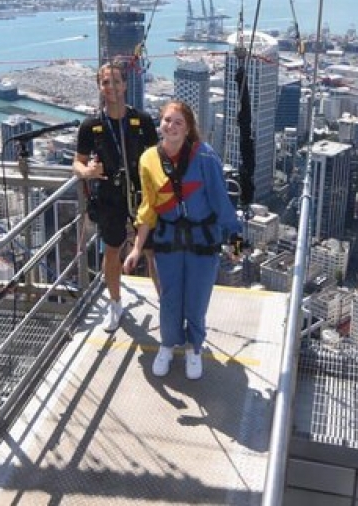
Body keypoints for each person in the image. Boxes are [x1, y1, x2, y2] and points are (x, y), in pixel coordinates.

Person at [123, 99, 241, 380]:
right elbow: (148, 207)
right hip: (169, 239)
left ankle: (194, 348)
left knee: (197, 300)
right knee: (169, 298)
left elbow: (221, 203)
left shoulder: (205, 157)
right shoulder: (148, 159)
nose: (172, 126)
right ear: (159, 124)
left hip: (203, 239)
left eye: (179, 122)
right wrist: (137, 248)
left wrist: (235, 244)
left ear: (188, 129)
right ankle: (167, 344)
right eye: (167, 120)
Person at [73, 61, 158, 332]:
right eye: (105, 82)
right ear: (100, 87)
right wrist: (87, 171)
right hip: (109, 193)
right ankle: (115, 303)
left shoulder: (141, 121)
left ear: (125, 85)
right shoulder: (91, 125)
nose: (110, 87)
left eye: (115, 81)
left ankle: (165, 304)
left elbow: (157, 158)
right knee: (112, 249)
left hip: (140, 193)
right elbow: (77, 162)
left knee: (151, 250)